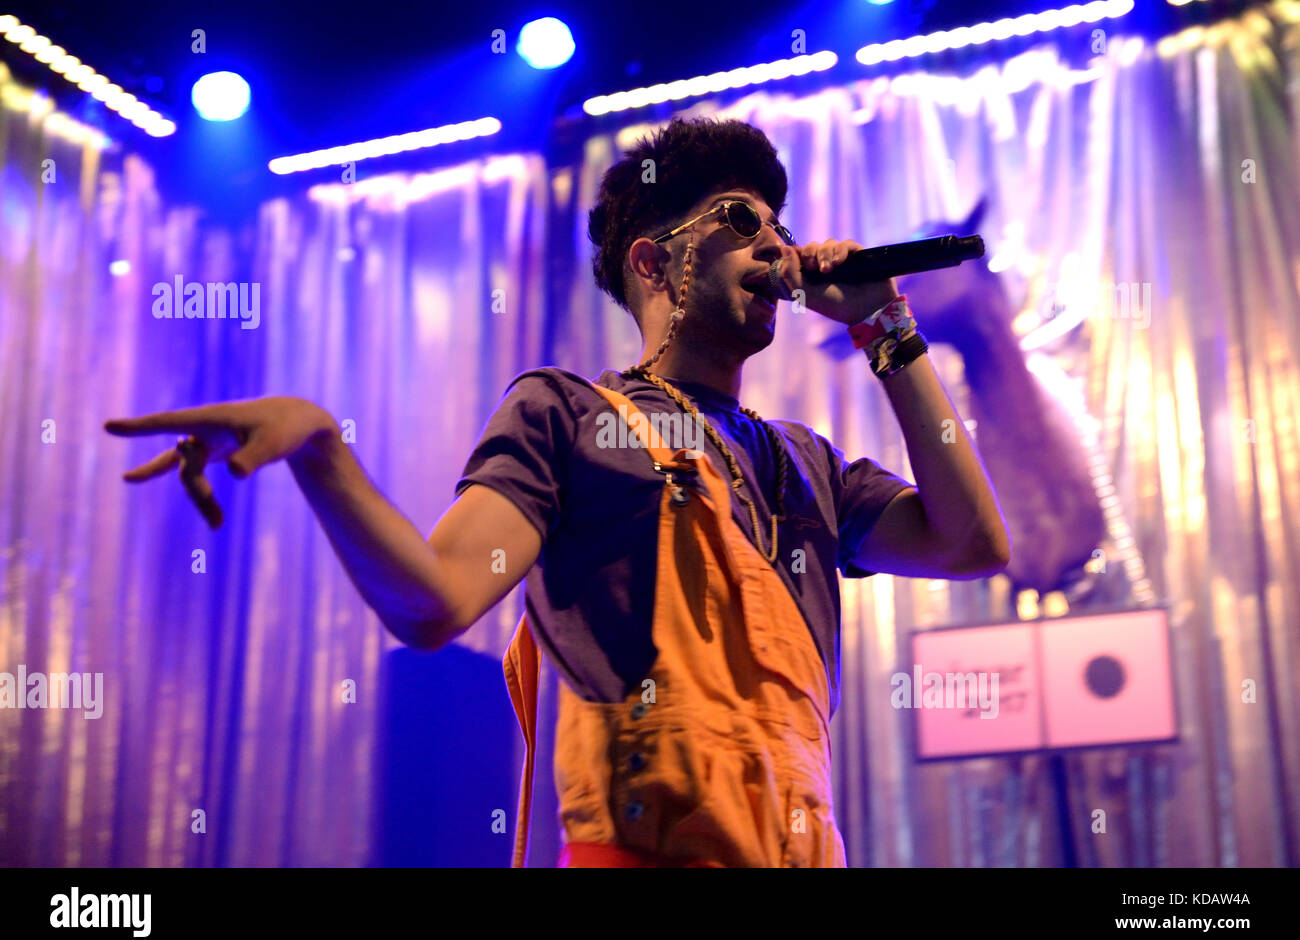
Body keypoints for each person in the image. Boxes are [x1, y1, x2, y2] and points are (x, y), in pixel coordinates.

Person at [105, 117, 1009, 868]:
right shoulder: (568, 416)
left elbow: (972, 544)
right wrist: (320, 447)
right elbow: (436, 600)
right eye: (741, 219)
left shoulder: (808, 466)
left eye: (779, 222)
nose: (777, 243)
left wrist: (890, 325)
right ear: (653, 264)